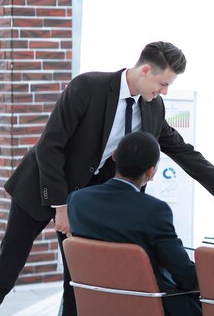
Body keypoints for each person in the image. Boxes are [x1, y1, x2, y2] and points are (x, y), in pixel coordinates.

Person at [0, 42, 214, 316]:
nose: (165, 91)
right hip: (42, 187)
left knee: (77, 281)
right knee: (7, 271)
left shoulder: (153, 106)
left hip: (86, 200)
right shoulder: (88, 86)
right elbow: (49, 145)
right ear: (145, 70)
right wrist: (60, 205)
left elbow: (182, 150)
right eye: (163, 83)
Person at [68, 131, 201, 316]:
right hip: (151, 305)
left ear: (114, 156)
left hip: (98, 305)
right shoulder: (154, 210)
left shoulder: (77, 201)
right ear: (150, 172)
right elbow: (185, 277)